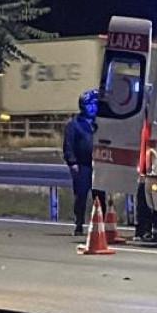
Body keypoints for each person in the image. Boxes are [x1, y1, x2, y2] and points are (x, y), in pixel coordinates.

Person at [64, 89, 102, 236]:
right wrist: (72, 162)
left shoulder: (100, 124)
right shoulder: (74, 124)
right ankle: (79, 223)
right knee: (81, 195)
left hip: (99, 165)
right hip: (82, 165)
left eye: (95, 105)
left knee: (100, 196)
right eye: (89, 105)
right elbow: (68, 145)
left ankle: (102, 224)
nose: (93, 108)